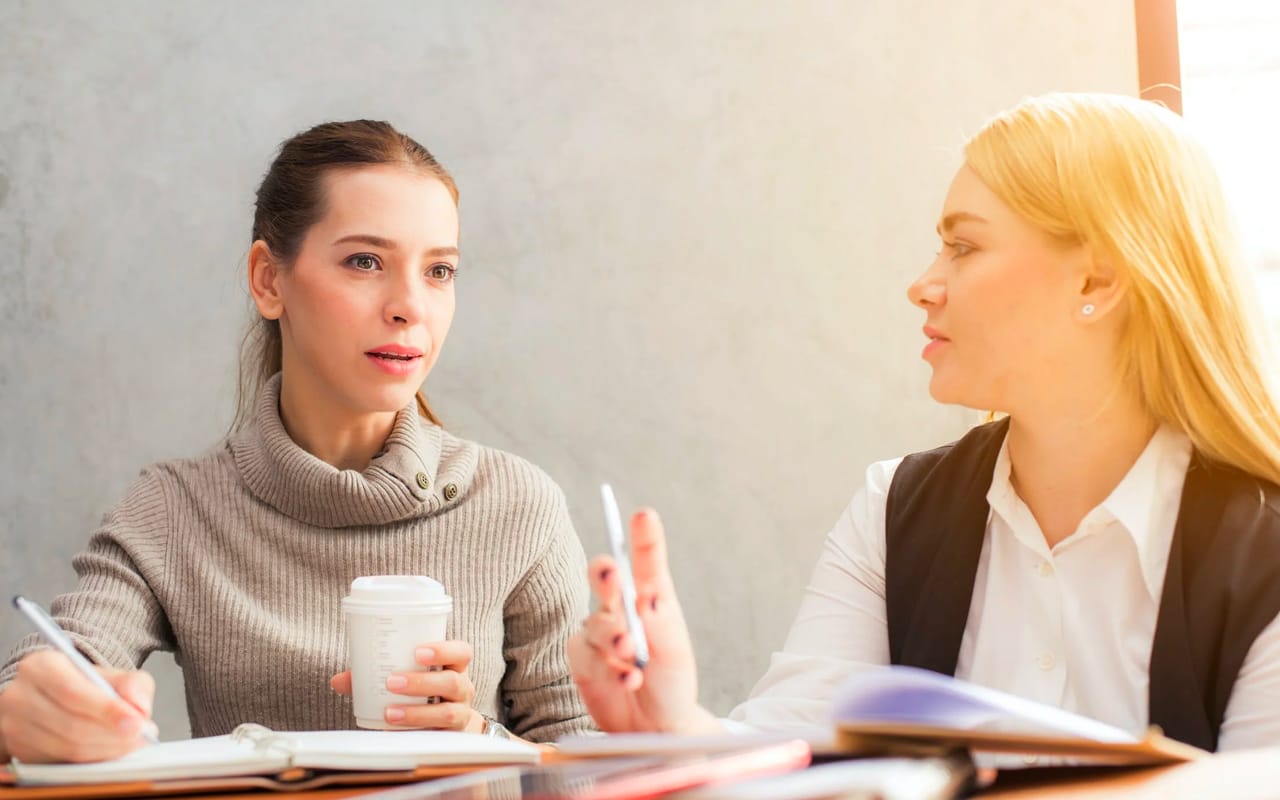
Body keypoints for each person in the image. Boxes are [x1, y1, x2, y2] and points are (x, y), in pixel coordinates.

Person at [568, 92, 1280, 752]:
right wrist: (675, 723)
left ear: (1096, 280)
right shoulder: (893, 510)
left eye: (963, 247)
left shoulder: (1263, 552)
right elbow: (795, 758)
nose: (923, 284)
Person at [0, 120, 594, 763]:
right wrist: (32, 712)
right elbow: (56, 668)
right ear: (268, 280)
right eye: (365, 261)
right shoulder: (173, 510)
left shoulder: (519, 506)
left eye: (439, 271)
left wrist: (481, 743)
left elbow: (590, 760)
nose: (409, 306)